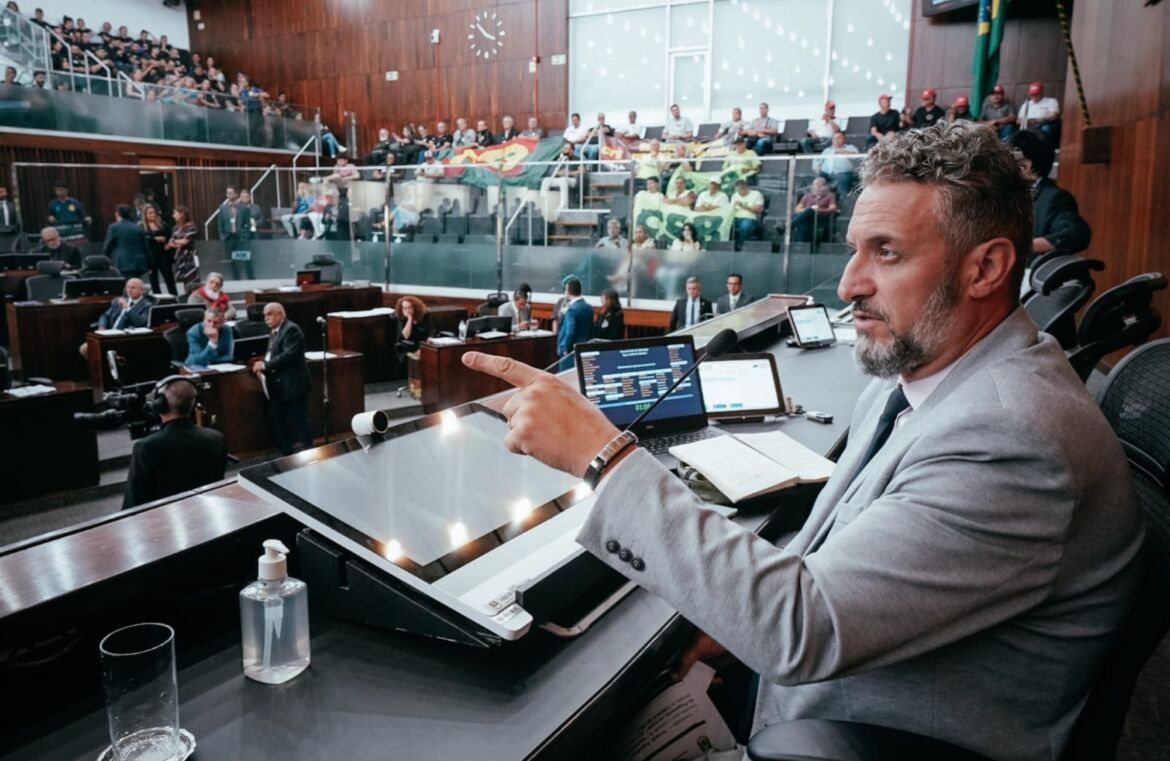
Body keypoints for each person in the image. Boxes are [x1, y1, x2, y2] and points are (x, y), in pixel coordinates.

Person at [459, 121, 1144, 761]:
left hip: (863, 738)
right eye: (854, 250)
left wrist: (602, 457)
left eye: (886, 252)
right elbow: (832, 549)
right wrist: (730, 624)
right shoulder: (925, 376)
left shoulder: (1012, 438)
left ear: (986, 269)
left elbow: (801, 625)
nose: (849, 284)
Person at [121, 377, 227, 510]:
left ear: (159, 404)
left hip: (163, 518)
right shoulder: (216, 438)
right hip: (208, 513)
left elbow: (133, 503)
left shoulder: (146, 447)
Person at [1009, 129, 1092, 259]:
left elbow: (1075, 234)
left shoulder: (1055, 199)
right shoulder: (1007, 195)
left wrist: (1022, 247)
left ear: (1025, 166)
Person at [253, 302, 312, 455]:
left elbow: (288, 355)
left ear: (280, 314)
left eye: (269, 314)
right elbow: (272, 354)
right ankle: (287, 452)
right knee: (275, 416)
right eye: (265, 315)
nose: (266, 318)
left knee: (299, 419)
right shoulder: (275, 331)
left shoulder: (291, 330)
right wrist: (262, 363)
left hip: (293, 385)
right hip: (281, 385)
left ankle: (309, 451)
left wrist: (265, 365)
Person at [103, 203, 150, 279]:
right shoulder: (138, 227)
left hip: (123, 262)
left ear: (117, 214)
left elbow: (108, 246)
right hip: (138, 262)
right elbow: (145, 246)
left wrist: (106, 260)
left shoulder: (114, 227)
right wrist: (149, 264)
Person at [556, 276, 592, 367]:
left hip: (570, 352)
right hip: (585, 349)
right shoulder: (589, 307)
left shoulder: (571, 309)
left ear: (568, 291)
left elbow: (570, 332)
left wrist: (565, 348)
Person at [790, 176, 838, 243]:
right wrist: (807, 211)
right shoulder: (807, 195)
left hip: (820, 218)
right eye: (814, 185)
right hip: (806, 218)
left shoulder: (830, 196)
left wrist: (818, 210)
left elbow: (832, 209)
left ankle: (789, 226)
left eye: (818, 185)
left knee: (807, 213)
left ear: (824, 187)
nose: (815, 187)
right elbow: (798, 208)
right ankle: (800, 245)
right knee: (803, 222)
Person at [140, 203, 174, 295]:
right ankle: (157, 297)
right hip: (150, 255)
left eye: (154, 212)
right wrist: (155, 238)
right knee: (153, 279)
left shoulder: (162, 224)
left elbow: (170, 235)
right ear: (145, 215)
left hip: (163, 254)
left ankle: (173, 295)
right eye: (150, 213)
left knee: (169, 277)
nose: (153, 214)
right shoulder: (141, 226)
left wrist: (167, 242)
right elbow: (143, 238)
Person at [817, 131, 860, 201]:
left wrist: (838, 150)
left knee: (844, 179)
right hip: (826, 174)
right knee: (817, 182)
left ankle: (844, 203)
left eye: (839, 138)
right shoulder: (827, 150)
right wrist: (819, 170)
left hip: (844, 174)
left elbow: (856, 157)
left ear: (844, 139)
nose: (836, 140)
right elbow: (819, 163)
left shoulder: (850, 148)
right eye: (834, 138)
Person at [393, 295, 431, 370]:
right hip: (407, 347)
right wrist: (410, 319)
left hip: (423, 345)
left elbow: (431, 331)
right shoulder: (401, 318)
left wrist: (428, 342)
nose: (407, 310)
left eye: (410, 307)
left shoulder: (424, 316)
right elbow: (406, 336)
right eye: (405, 308)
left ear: (415, 307)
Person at [168, 205, 199, 293]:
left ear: (181, 214)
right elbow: (170, 243)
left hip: (189, 256)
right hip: (179, 257)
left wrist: (175, 241)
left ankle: (193, 296)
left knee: (191, 278)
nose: (173, 215)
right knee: (183, 279)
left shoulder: (191, 226)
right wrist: (177, 243)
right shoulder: (175, 228)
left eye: (175, 213)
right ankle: (186, 295)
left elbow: (186, 241)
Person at [731, 179, 765, 244]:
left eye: (741, 190)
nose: (739, 192)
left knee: (745, 227)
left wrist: (743, 206)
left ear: (746, 187)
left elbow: (759, 210)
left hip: (750, 218)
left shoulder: (756, 194)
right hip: (735, 218)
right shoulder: (735, 195)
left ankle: (741, 245)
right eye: (738, 190)